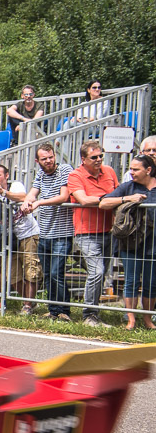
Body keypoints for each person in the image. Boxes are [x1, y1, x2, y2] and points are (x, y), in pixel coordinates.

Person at [98, 155, 156, 329]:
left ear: (148, 170)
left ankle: (147, 319)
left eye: (136, 169)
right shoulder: (128, 187)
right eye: (131, 168)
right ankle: (131, 319)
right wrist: (127, 199)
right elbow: (103, 203)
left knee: (151, 282)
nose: (131, 172)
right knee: (131, 281)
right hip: (130, 243)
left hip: (153, 243)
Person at [67, 141, 119, 326]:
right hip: (86, 232)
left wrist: (115, 200)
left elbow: (118, 193)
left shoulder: (109, 171)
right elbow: (83, 199)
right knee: (96, 272)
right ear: (83, 159)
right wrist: (109, 200)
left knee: (102, 273)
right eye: (94, 157)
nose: (98, 160)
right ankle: (88, 315)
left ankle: (94, 313)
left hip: (108, 231)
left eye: (100, 156)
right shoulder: (75, 175)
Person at [24, 144, 75, 321]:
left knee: (56, 273)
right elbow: (32, 193)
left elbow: (64, 196)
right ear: (38, 161)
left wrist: (39, 203)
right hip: (44, 232)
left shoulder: (64, 170)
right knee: (48, 275)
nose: (49, 161)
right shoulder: (40, 174)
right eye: (44, 159)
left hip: (62, 233)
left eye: (50, 157)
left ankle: (64, 311)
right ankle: (54, 310)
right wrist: (27, 202)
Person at [0, 164, 41, 314]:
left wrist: (3, 192)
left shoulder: (15, 185)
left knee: (31, 270)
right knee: (12, 274)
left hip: (28, 233)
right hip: (8, 237)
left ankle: (27, 306)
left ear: (6, 176)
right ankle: (29, 301)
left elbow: (23, 197)